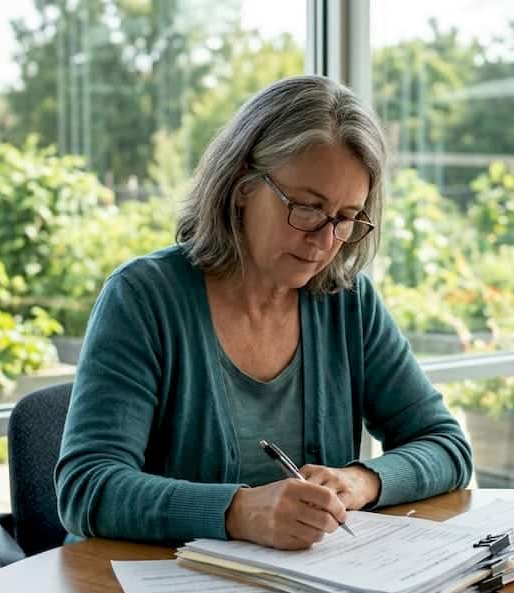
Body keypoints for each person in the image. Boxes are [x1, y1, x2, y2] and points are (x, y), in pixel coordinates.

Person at [55, 75, 471, 550]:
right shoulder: (143, 298)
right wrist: (239, 511)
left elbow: (447, 446)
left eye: (346, 218)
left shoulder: (348, 302)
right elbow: (87, 487)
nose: (324, 241)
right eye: (308, 208)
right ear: (242, 186)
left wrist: (361, 480)